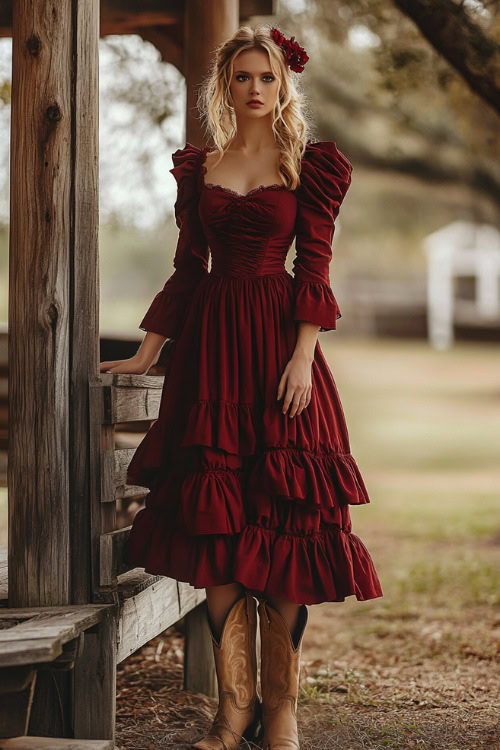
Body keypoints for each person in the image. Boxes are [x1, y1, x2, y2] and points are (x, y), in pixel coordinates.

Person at [100, 24, 383, 750]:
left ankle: (282, 713)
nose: (253, 88)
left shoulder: (308, 165)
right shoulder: (201, 167)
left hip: (279, 347)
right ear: (223, 86)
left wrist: (300, 358)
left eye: (265, 77)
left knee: (283, 517)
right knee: (215, 522)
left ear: (283, 83)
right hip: (210, 356)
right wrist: (145, 355)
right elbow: (188, 268)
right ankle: (234, 712)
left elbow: (313, 268)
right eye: (240, 78)